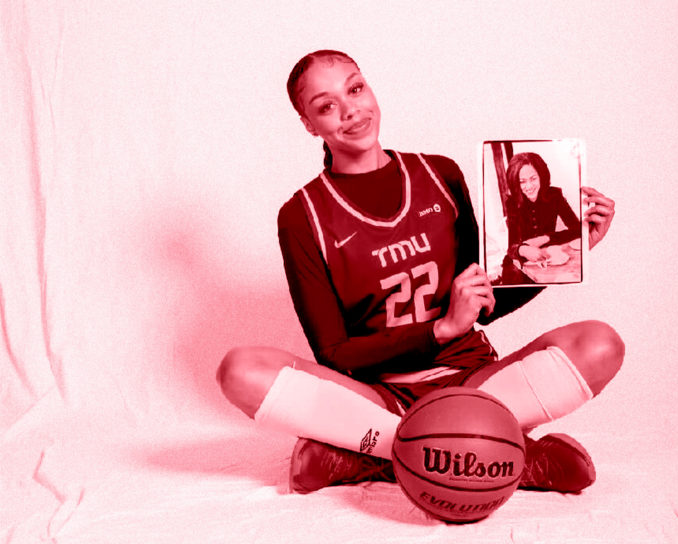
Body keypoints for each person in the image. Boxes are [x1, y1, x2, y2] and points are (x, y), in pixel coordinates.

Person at [216, 50, 624, 496]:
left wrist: (573, 253)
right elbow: (333, 354)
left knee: (600, 344)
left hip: (473, 382)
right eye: (326, 105)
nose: (350, 110)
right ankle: (504, 456)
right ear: (309, 125)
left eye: (355, 88)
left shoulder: (439, 174)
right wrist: (439, 330)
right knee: (240, 370)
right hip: (377, 399)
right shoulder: (301, 216)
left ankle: (372, 456)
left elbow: (485, 299)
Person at [499, 151, 583, 285]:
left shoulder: (555, 195)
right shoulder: (512, 203)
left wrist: (545, 238)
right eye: (522, 182)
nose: (529, 186)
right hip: (520, 260)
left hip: (550, 255)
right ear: (515, 183)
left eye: (533, 179)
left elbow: (578, 229)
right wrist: (524, 249)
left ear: (541, 176)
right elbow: (512, 246)